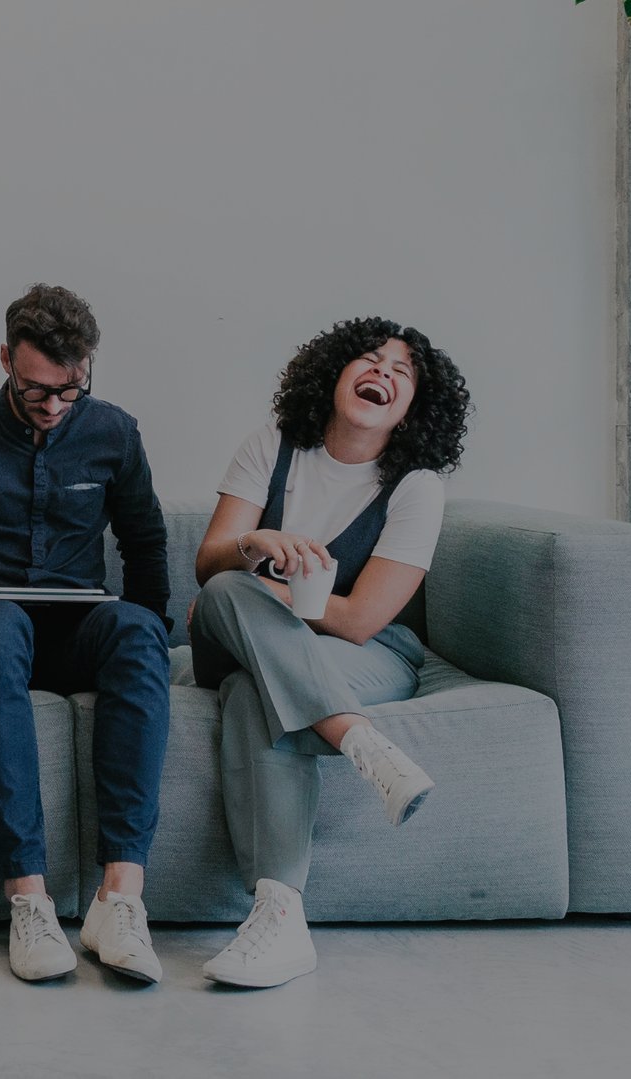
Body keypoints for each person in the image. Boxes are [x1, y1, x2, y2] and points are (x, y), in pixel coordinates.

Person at [0, 284, 172, 984]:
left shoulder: (114, 431)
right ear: (5, 359)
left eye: (68, 390)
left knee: (137, 632)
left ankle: (120, 898)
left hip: (75, 625)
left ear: (88, 365)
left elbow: (145, 542)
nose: (52, 406)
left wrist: (157, 631)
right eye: (35, 388)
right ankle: (28, 899)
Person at [188, 316, 471, 989]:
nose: (383, 373)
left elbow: (362, 618)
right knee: (226, 589)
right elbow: (209, 562)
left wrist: (276, 598)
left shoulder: (416, 487)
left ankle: (279, 917)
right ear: (336, 371)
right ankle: (362, 743)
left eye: (402, 372)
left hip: (361, 653)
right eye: (371, 360)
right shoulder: (271, 446)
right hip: (234, 635)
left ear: (414, 407)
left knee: (257, 692)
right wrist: (257, 546)